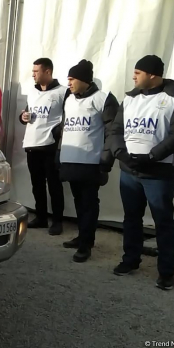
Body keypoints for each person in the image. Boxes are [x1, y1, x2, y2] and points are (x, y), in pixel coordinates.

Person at [110, 55, 174, 291]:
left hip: (158, 172)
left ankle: (166, 272)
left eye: (138, 72)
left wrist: (151, 156)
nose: (133, 76)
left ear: (153, 75)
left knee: (163, 222)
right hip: (129, 170)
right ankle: (130, 260)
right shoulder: (129, 99)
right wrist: (121, 153)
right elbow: (116, 130)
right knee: (131, 218)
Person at [58, 60, 118, 262]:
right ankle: (82, 236)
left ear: (84, 79)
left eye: (72, 79)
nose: (69, 83)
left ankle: (86, 244)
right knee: (78, 201)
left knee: (89, 204)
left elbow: (113, 131)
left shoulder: (103, 99)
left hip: (91, 162)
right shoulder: (69, 100)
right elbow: (66, 127)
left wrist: (106, 158)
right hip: (70, 160)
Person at [20, 58, 70, 235]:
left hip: (50, 146)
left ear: (47, 71)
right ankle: (41, 217)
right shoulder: (32, 92)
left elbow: (70, 116)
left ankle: (57, 221)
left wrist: (58, 133)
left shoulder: (63, 92)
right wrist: (23, 116)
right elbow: (28, 112)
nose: (33, 74)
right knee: (37, 184)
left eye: (36, 71)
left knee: (54, 185)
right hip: (32, 144)